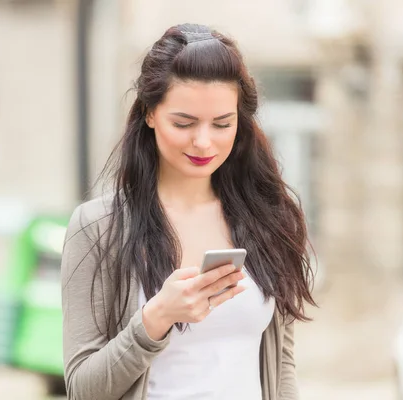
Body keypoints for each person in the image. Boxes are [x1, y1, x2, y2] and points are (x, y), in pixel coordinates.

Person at [61, 23, 316, 400]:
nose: (203, 141)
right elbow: (82, 389)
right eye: (184, 123)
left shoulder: (267, 218)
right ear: (149, 114)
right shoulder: (98, 228)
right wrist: (155, 319)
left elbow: (282, 368)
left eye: (222, 124)